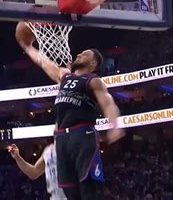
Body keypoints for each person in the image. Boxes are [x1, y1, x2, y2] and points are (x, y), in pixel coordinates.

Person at [15, 21, 125, 200]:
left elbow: (108, 103)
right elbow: (43, 62)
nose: (80, 54)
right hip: (62, 138)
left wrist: (115, 125)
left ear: (93, 64)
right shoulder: (64, 76)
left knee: (88, 189)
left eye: (85, 54)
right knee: (69, 192)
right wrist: (27, 47)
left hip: (82, 133)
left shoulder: (93, 80)